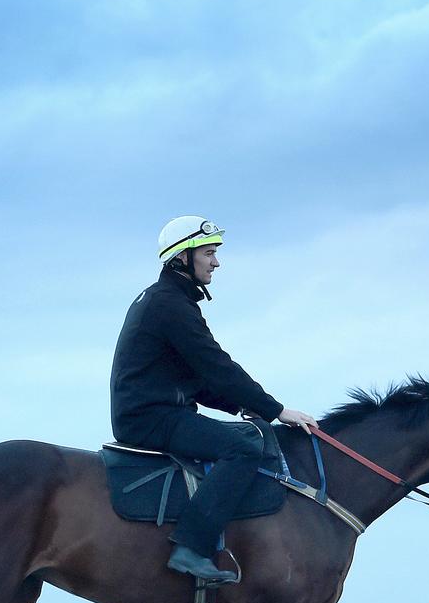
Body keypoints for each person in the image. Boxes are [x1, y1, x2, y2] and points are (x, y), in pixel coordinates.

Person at [110, 216, 318, 584]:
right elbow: (217, 366)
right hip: (151, 418)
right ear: (181, 259)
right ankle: (190, 548)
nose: (216, 262)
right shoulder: (169, 305)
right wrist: (277, 410)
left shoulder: (168, 301)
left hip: (157, 411)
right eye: (208, 253)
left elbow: (196, 380)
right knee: (241, 448)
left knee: (243, 434)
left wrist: (242, 407)